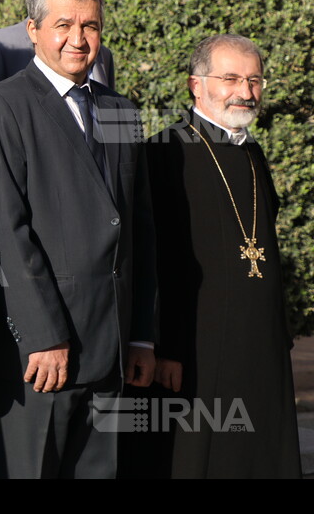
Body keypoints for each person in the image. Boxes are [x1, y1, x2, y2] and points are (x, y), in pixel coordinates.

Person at [0, 0, 156, 479]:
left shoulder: (121, 111)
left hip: (112, 347)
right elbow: (6, 232)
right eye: (63, 25)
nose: (78, 39)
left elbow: (138, 229)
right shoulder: (2, 106)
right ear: (32, 29)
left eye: (91, 26)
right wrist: (41, 335)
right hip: (44, 356)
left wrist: (141, 335)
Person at [131, 34, 300, 478]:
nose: (245, 92)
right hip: (191, 354)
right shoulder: (164, 151)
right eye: (230, 79)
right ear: (196, 84)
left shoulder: (254, 156)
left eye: (254, 80)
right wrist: (163, 345)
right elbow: (153, 258)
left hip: (260, 348)